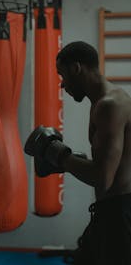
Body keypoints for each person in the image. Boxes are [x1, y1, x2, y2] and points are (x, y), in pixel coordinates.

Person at [24, 41, 131, 265]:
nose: (62, 85)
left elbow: (102, 179)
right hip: (108, 213)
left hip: (120, 216)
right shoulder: (103, 102)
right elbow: (109, 166)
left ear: (76, 68)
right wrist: (70, 162)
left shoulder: (109, 106)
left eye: (63, 75)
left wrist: (59, 154)